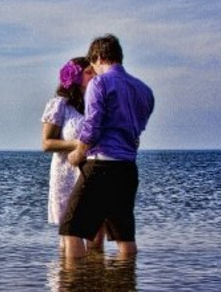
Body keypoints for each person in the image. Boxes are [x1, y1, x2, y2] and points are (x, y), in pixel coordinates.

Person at [60, 34, 155, 259]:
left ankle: (76, 289)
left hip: (101, 165)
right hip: (128, 167)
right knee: (125, 235)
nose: (93, 70)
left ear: (100, 57)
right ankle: (125, 287)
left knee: (71, 229)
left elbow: (92, 126)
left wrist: (78, 153)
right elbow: (139, 126)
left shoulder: (99, 83)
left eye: (93, 64)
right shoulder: (144, 89)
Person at [41, 57, 101, 250]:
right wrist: (79, 143)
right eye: (89, 72)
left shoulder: (97, 103)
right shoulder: (60, 104)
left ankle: (97, 278)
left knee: (97, 235)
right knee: (69, 236)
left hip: (93, 173)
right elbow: (47, 143)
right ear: (76, 77)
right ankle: (68, 279)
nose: (94, 74)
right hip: (66, 173)